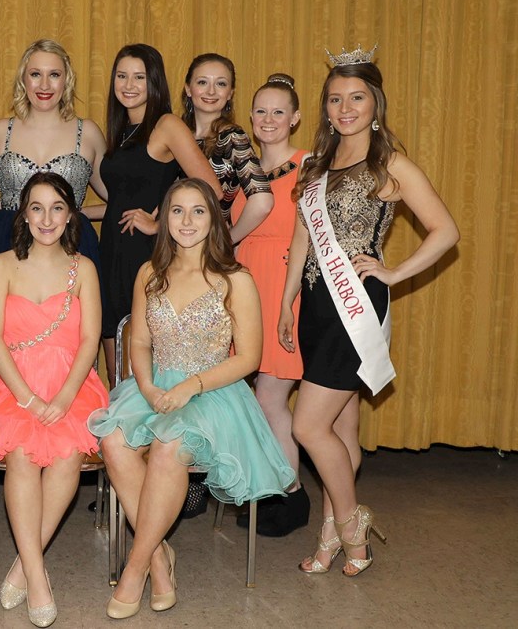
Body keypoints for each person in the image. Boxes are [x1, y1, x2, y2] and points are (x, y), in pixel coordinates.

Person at [279, 50, 458, 576]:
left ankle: (352, 527)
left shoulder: (389, 165)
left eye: (356, 98)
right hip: (315, 306)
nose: (345, 108)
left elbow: (446, 231)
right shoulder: (315, 164)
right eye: (335, 99)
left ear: (375, 104)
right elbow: (301, 239)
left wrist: (394, 273)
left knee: (308, 426)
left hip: (353, 308)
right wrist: (287, 301)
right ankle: (331, 534)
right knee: (341, 431)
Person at [90, 178, 294, 618]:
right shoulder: (150, 273)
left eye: (198, 211)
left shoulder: (235, 279)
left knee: (170, 447)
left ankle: (136, 569)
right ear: (164, 219)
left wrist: (191, 386)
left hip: (213, 390)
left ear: (214, 219)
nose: (187, 220)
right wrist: (148, 387)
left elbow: (249, 358)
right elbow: (139, 342)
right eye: (177, 211)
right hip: (155, 385)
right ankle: (159, 558)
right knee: (113, 442)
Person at [0, 173, 109, 627]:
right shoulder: (1, 266)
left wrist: (66, 395)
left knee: (67, 456)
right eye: (37, 208)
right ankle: (37, 578)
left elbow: (91, 338)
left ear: (71, 214)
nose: (47, 218)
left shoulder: (83, 268)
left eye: (57, 208)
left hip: (72, 382)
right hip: (12, 382)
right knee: (20, 455)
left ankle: (22, 565)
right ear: (24, 214)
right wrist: (29, 400)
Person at [99, 44, 219, 384]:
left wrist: (159, 224)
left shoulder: (166, 125)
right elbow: (122, 199)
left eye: (139, 77)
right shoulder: (121, 129)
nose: (129, 85)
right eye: (122, 76)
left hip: (147, 253)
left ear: (154, 82)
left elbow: (209, 189)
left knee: (146, 362)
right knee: (118, 369)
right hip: (112, 249)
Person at [229, 73, 311, 536]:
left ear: (295, 118)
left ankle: (290, 494)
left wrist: (289, 300)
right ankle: (267, 489)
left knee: (270, 398)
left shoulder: (309, 165)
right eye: (261, 110)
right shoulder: (245, 169)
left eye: (279, 111)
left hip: (285, 288)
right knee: (252, 398)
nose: (268, 119)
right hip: (244, 288)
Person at [0, 38, 107, 278]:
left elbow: (119, 198)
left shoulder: (88, 133)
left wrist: (77, 213)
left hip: (70, 243)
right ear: (23, 79)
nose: (45, 85)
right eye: (36, 74)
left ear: (67, 80)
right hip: (7, 242)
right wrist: (10, 211)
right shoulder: (0, 132)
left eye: (54, 75)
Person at [181, 53, 274, 241]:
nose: (211, 91)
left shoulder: (232, 137)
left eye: (221, 84)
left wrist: (227, 240)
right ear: (188, 89)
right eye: (202, 82)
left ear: (230, 93)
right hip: (171, 244)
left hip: (208, 248)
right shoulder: (177, 134)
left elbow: (262, 201)